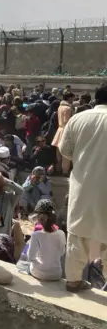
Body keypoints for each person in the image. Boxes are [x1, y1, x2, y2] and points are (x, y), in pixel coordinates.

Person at [59, 83, 107, 292]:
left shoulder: (78, 119)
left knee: (77, 235)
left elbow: (65, 153)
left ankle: (73, 280)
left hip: (82, 188)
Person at [27, 199, 66, 281]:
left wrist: (41, 266)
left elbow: (30, 257)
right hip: (56, 274)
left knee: (25, 265)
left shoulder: (36, 235)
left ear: (38, 218)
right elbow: (62, 252)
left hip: (38, 273)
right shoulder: (61, 233)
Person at [52, 91, 74, 175]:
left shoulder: (60, 107)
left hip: (59, 129)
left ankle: (58, 169)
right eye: (72, 98)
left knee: (59, 151)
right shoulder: (68, 108)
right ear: (69, 98)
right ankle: (65, 170)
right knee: (66, 151)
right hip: (65, 130)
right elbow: (66, 121)